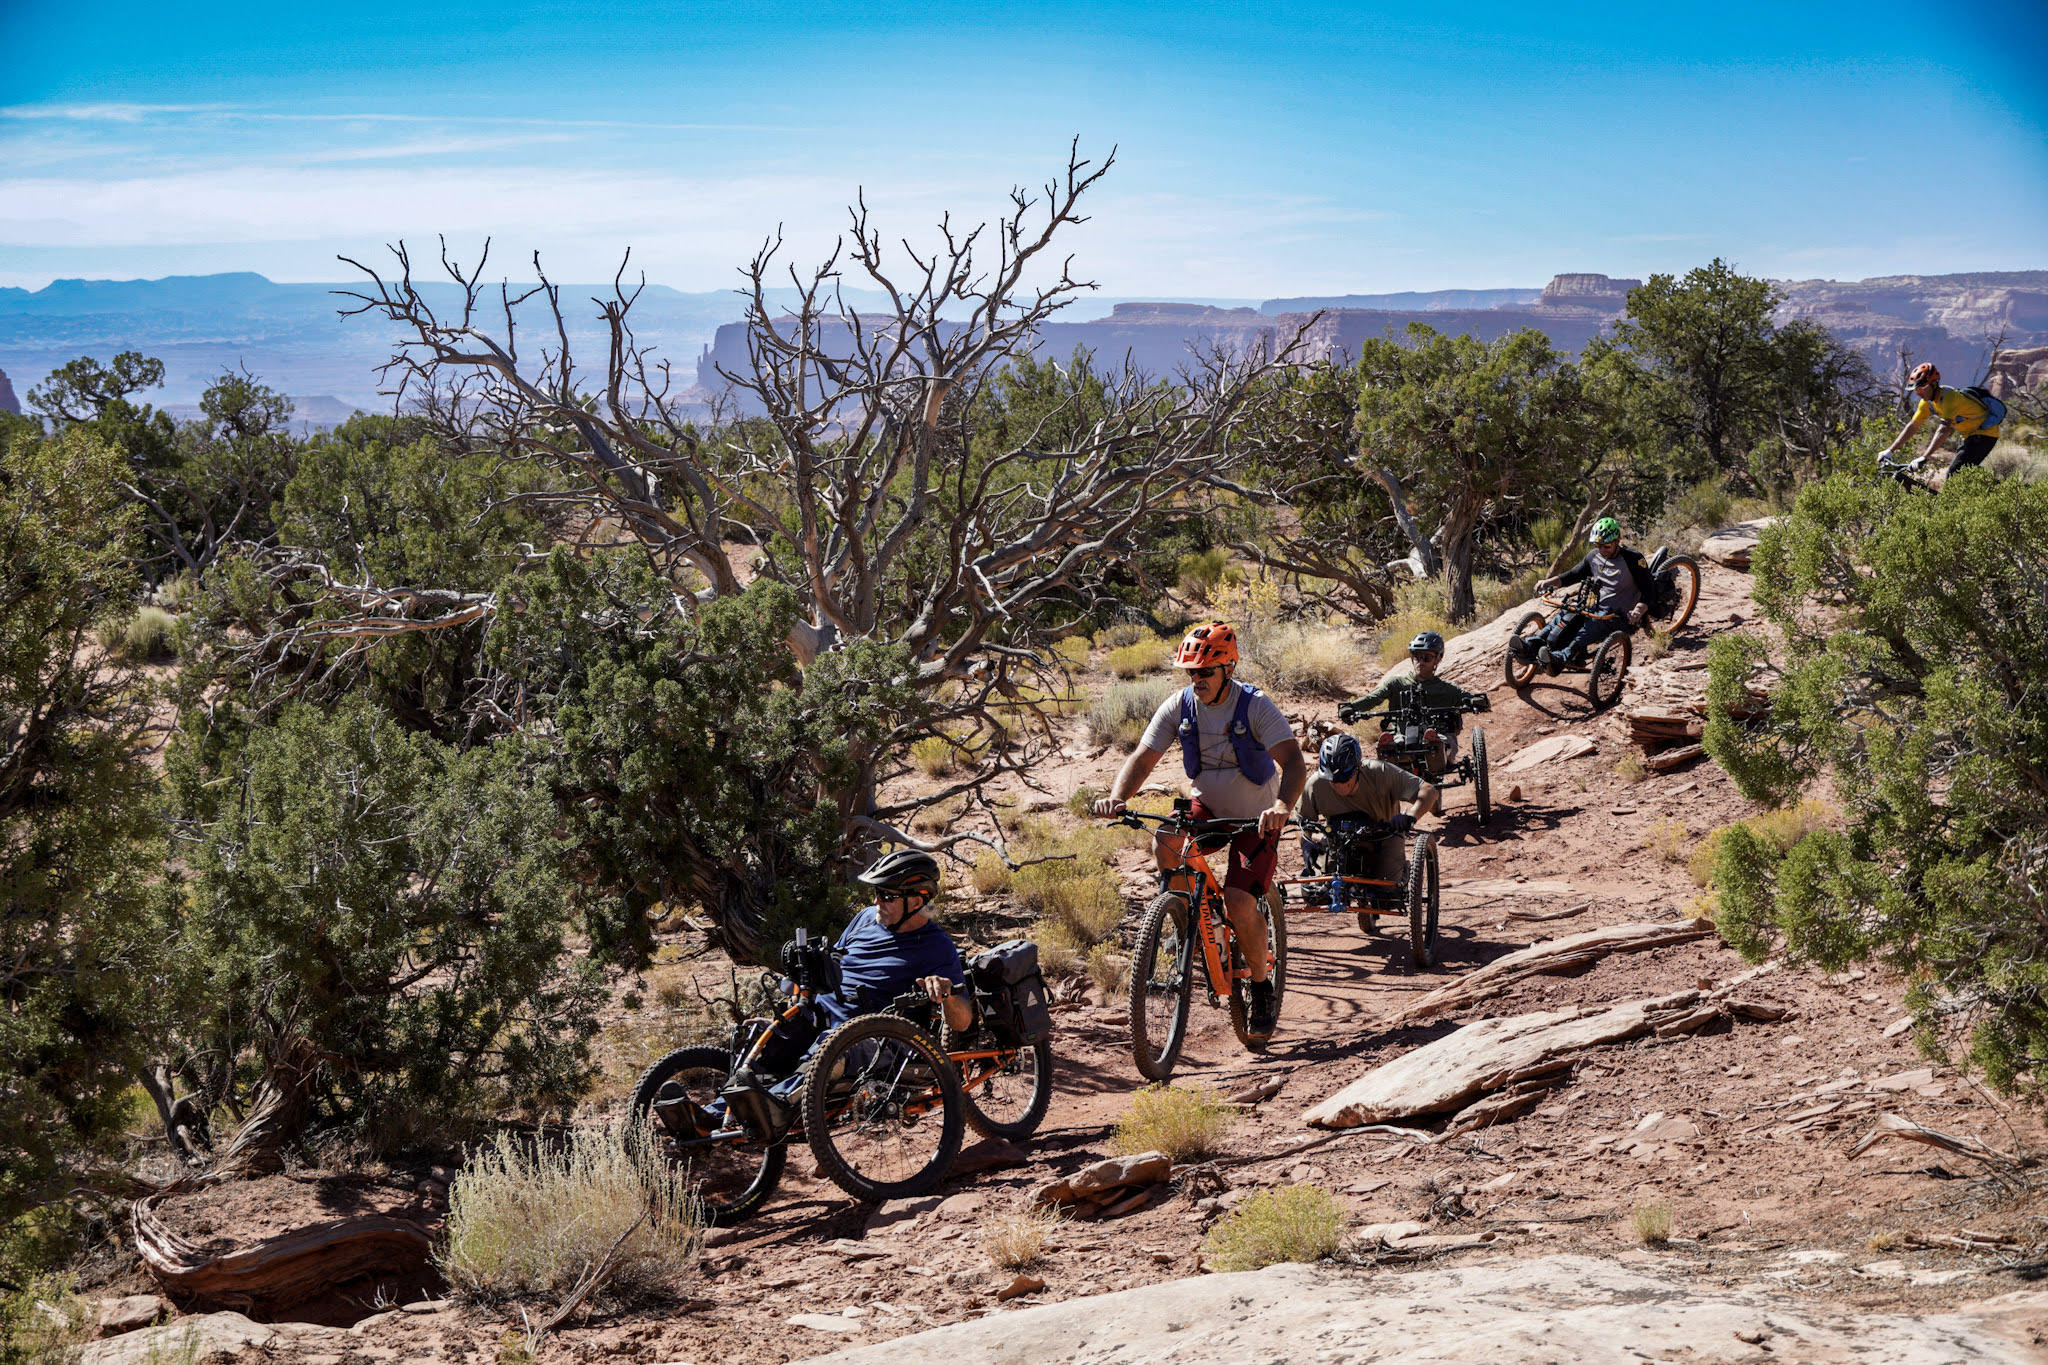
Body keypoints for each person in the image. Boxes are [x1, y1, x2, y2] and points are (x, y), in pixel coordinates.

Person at [655, 849, 971, 1136]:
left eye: (886, 895)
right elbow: (834, 960)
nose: (877, 902)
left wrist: (946, 995)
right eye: (876, 893)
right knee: (765, 1037)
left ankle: (772, 1108)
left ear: (916, 901)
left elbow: (962, 1021)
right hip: (821, 1017)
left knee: (828, 1047)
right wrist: (804, 973)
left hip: (873, 1037)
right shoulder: (864, 919)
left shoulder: (936, 946)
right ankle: (712, 1116)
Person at [1092, 621, 1307, 1037]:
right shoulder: (1179, 706)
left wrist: (1282, 806)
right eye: (1190, 672)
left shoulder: (1256, 706)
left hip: (1256, 816)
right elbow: (1143, 756)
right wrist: (1118, 797)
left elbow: (1294, 763)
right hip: (1207, 807)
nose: (1197, 680)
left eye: (1205, 672)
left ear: (1228, 668)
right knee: (1166, 838)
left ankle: (1260, 988)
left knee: (1240, 902)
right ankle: (1182, 916)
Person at [1297, 733, 1439, 906]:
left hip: (1384, 837)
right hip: (1338, 842)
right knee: (1313, 893)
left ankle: (1399, 876)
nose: (1338, 785)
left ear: (1358, 768)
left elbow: (1429, 790)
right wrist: (1306, 844)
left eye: (1344, 778)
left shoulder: (1380, 773)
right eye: (1332, 780)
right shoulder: (1316, 784)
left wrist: (1411, 815)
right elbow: (1303, 822)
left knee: (1389, 898)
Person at [1335, 631, 1489, 769]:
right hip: (1402, 735)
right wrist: (1352, 707)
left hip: (1439, 736)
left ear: (1438, 659)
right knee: (1395, 742)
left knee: (1441, 741)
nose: (1420, 662)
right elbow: (1373, 698)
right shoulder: (1396, 683)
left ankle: (1434, 745)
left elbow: (1468, 697)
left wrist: (1476, 701)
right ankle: (1390, 749)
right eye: (1417, 657)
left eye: (1427, 658)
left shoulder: (1446, 689)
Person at [1520, 517, 1655, 674]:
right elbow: (1573, 574)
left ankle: (1561, 658)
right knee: (1567, 614)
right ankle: (1532, 643)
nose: (1602, 550)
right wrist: (1548, 582)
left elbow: (1649, 591)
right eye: (1598, 545)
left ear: (1617, 541)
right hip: (1593, 606)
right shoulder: (1594, 556)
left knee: (1589, 628)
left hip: (1617, 614)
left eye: (1606, 546)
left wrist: (1638, 611)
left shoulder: (1633, 559)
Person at [1878, 362, 2003, 489]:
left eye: (1921, 388)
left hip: (1985, 434)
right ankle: (2000, 492)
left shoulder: (1950, 397)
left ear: (1933, 384)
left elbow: (1943, 430)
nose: (1918, 393)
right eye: (1915, 389)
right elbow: (1913, 426)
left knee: (1955, 474)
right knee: (1964, 473)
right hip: (1969, 436)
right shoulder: (1927, 403)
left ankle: (2006, 494)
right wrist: (1890, 450)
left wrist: (1924, 457)